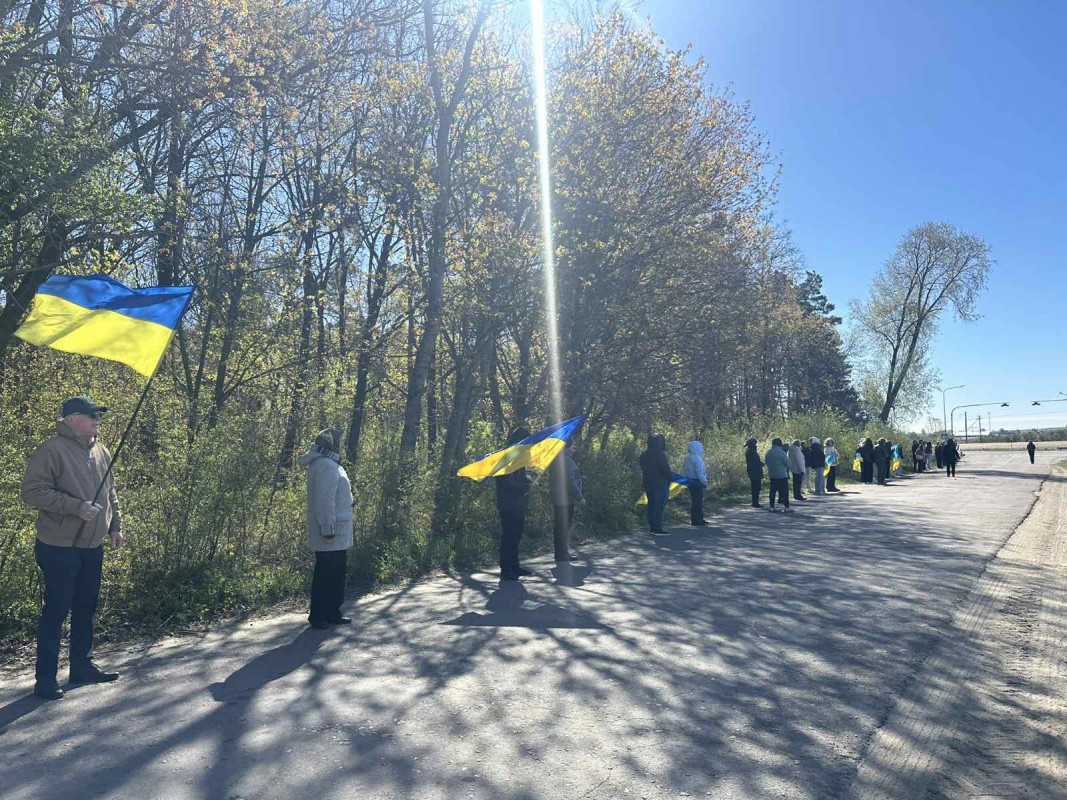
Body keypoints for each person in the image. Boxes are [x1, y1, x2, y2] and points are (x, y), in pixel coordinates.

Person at [20, 396, 123, 700]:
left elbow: (110, 491)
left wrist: (116, 526)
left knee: (85, 607)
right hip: (59, 546)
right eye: (90, 415)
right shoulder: (51, 450)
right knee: (56, 611)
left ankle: (81, 666)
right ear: (70, 419)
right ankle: (45, 680)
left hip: (93, 545)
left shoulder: (101, 450)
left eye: (98, 415)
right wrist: (75, 507)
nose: (96, 419)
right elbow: (32, 491)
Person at [299, 428, 353, 629]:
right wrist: (327, 527)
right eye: (339, 442)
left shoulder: (329, 464)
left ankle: (332, 612)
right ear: (330, 444)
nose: (341, 445)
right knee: (326, 573)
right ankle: (319, 614)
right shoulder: (325, 466)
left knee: (336, 572)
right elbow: (324, 500)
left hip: (338, 529)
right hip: (331, 530)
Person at [496, 427, 535, 578]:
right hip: (508, 504)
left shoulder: (518, 457)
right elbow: (508, 483)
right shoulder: (506, 457)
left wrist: (528, 481)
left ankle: (515, 566)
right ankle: (506, 569)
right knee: (509, 536)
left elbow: (521, 478)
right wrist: (525, 487)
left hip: (518, 504)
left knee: (516, 536)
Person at [548, 442, 584, 560]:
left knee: (559, 527)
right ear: (566, 448)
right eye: (571, 447)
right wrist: (579, 497)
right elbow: (570, 482)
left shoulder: (555, 460)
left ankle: (560, 553)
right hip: (566, 500)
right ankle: (562, 553)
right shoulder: (567, 461)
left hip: (558, 498)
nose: (572, 450)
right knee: (563, 526)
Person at [639, 433, 672, 534]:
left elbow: (642, 466)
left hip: (648, 483)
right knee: (659, 506)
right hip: (660, 484)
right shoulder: (660, 454)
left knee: (652, 505)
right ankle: (657, 528)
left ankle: (652, 527)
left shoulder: (644, 454)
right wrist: (670, 478)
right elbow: (665, 469)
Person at [683, 440, 709, 526]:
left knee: (695, 501)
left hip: (690, 481)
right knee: (698, 501)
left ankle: (695, 519)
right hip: (697, 481)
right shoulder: (697, 459)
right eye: (700, 448)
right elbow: (699, 473)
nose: (702, 450)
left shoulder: (687, 458)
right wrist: (704, 481)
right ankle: (698, 520)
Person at [765, 438, 792, 512]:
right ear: (780, 444)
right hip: (782, 475)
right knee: (784, 492)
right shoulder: (781, 452)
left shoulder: (769, 452)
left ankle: (772, 506)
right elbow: (788, 463)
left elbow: (766, 462)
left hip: (772, 474)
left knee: (772, 491)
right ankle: (786, 507)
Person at [745, 437, 763, 507]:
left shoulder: (748, 451)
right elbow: (755, 462)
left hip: (751, 471)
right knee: (756, 487)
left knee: (754, 487)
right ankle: (755, 503)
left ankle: (755, 502)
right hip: (755, 471)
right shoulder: (752, 451)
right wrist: (760, 464)